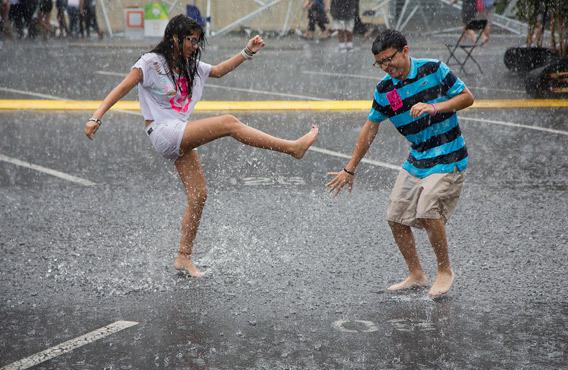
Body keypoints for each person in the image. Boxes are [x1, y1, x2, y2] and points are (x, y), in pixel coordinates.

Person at [84, 15, 319, 278]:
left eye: (197, 41)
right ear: (174, 37)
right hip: (163, 132)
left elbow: (218, 71)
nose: (194, 46)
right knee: (229, 123)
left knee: (198, 196)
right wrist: (96, 116)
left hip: (178, 132)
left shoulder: (190, 64)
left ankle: (183, 257)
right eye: (190, 40)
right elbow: (121, 88)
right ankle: (292, 148)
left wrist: (247, 52)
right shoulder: (151, 63)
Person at [326, 29, 474, 298]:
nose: (386, 67)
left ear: (405, 50)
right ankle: (417, 274)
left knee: (428, 210)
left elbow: (467, 97)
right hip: (417, 158)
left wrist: (434, 107)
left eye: (389, 59)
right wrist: (350, 167)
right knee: (395, 217)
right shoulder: (385, 89)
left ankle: (444, 271)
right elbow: (370, 128)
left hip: (448, 154)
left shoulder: (434, 69)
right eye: (380, 63)